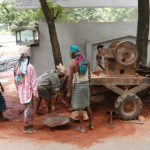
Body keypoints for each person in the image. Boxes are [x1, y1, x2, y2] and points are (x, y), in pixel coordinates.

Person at [67, 45, 94, 133]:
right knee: (87, 105)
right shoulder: (86, 62)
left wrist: (69, 92)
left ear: (72, 54)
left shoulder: (73, 65)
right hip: (86, 85)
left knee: (80, 108)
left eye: (70, 52)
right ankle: (91, 125)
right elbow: (89, 76)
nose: (69, 54)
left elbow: (70, 79)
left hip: (78, 87)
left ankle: (82, 127)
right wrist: (87, 83)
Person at [14, 52, 38, 134]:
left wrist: (18, 90)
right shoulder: (30, 67)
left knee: (27, 108)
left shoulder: (17, 66)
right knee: (29, 108)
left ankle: (29, 125)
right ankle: (26, 127)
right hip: (28, 92)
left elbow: (15, 81)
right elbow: (34, 82)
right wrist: (35, 93)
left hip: (22, 91)